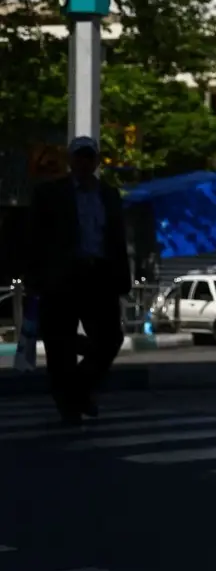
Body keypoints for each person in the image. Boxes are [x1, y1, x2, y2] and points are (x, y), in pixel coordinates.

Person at [26, 136, 132, 424]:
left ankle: (79, 389)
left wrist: (123, 277)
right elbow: (34, 237)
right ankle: (69, 406)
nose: (84, 163)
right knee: (59, 345)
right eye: (79, 157)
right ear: (71, 161)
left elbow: (117, 239)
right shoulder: (50, 194)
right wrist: (34, 276)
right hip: (63, 277)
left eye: (89, 157)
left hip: (99, 275)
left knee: (110, 339)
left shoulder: (108, 195)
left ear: (96, 161)